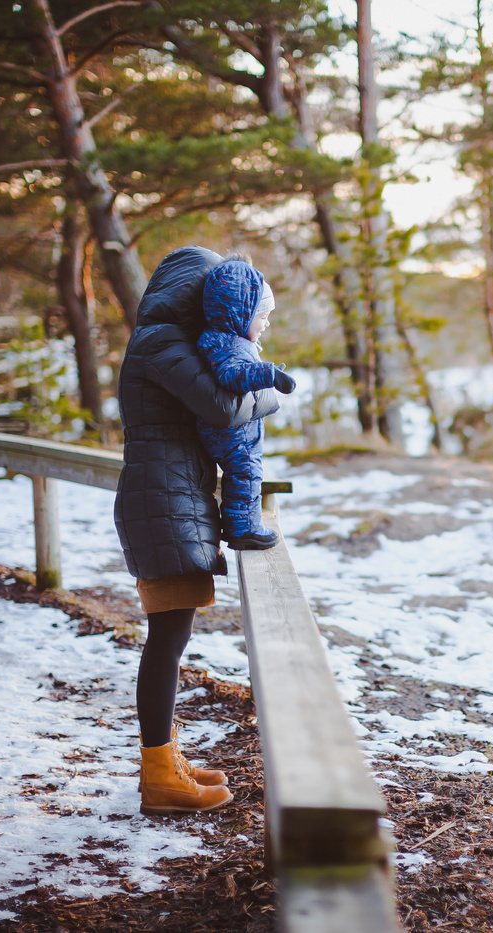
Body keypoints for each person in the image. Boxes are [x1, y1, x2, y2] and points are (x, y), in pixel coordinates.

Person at [112, 246, 279, 817]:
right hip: (164, 500)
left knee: (172, 638)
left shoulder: (169, 342)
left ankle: (166, 760)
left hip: (172, 498)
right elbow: (224, 408)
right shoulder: (161, 343)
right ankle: (159, 775)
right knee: (166, 641)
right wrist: (271, 390)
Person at [193, 259, 296, 551]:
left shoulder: (226, 339)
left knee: (243, 475)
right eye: (262, 316)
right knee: (246, 474)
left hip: (235, 430)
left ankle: (239, 524)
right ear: (242, 314)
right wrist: (269, 375)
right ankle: (244, 530)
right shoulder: (228, 344)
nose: (266, 324)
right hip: (232, 435)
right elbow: (232, 375)